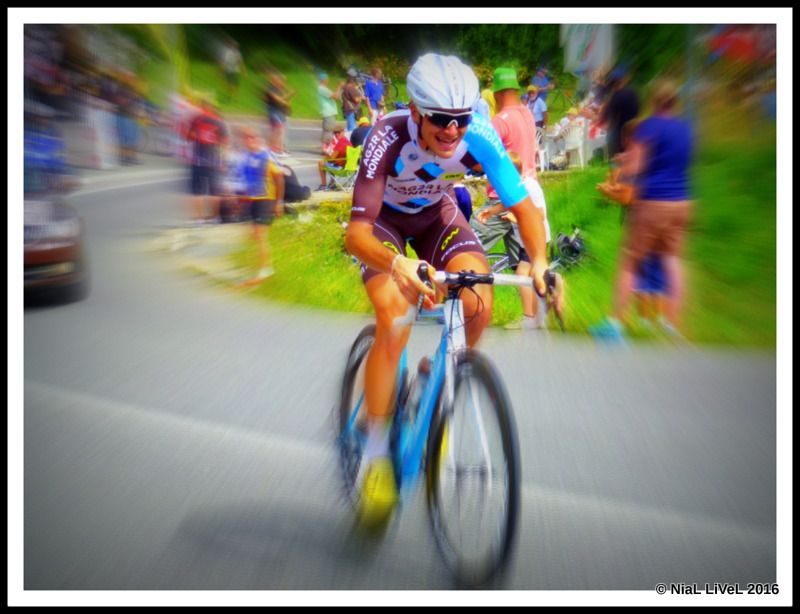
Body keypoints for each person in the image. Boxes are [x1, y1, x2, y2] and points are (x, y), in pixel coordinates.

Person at [344, 53, 553, 526]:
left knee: (478, 299)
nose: (452, 131)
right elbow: (355, 236)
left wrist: (539, 262)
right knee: (395, 315)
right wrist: (397, 263)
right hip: (384, 229)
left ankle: (438, 380)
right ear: (416, 111)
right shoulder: (386, 136)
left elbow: (523, 207)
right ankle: (376, 453)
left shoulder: (478, 134)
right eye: (440, 119)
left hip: (437, 216)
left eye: (460, 120)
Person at [590, 78, 693, 341]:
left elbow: (635, 168)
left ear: (653, 101)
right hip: (681, 202)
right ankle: (672, 323)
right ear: (675, 102)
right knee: (672, 261)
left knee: (630, 262)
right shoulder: (685, 130)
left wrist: (621, 167)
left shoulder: (649, 128)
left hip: (653, 202)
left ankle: (615, 325)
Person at [472, 66, 552, 331]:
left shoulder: (499, 121)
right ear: (516, 90)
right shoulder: (528, 114)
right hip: (527, 194)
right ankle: (531, 318)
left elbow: (484, 160)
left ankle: (451, 304)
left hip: (502, 196)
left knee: (467, 243)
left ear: (496, 93)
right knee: (522, 263)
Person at [237, 126, 285, 284]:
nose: (248, 141)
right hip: (252, 199)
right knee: (253, 235)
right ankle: (258, 266)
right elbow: (244, 179)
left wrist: (278, 202)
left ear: (258, 139)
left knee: (260, 236)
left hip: (266, 199)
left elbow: (279, 179)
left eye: (251, 137)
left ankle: (266, 270)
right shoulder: (246, 156)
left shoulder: (267, 157)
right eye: (245, 138)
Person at [185, 95, 228, 223]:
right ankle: (215, 217)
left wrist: (197, 137)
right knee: (214, 191)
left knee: (197, 191)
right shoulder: (220, 121)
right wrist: (223, 161)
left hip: (197, 160)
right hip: (214, 161)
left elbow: (189, 136)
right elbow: (224, 143)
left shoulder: (196, 119)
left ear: (202, 106)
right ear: (212, 107)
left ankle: (199, 219)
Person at [597, 66, 640, 159]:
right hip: (633, 133)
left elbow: (607, 121)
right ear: (624, 80)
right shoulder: (633, 93)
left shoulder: (614, 98)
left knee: (616, 165)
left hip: (617, 136)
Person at [263, 69, 293, 157]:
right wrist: (287, 98)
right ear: (274, 79)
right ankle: (274, 150)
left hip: (279, 112)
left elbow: (284, 100)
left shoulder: (277, 89)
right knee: (277, 130)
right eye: (280, 80)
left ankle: (276, 149)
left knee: (277, 131)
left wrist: (289, 96)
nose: (282, 82)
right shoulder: (270, 88)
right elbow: (278, 100)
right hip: (274, 112)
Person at [317, 124, 351, 190]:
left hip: (341, 168)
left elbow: (332, 158)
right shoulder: (347, 141)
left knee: (321, 163)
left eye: (338, 132)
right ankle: (333, 183)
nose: (336, 134)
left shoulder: (341, 143)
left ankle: (323, 185)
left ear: (343, 132)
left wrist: (326, 154)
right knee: (329, 162)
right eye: (335, 133)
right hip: (347, 166)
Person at [317, 72, 343, 148]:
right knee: (328, 130)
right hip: (328, 113)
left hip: (330, 113)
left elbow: (336, 96)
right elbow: (335, 96)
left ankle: (326, 147)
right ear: (323, 80)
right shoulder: (322, 89)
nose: (328, 81)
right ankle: (324, 148)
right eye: (327, 79)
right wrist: (339, 86)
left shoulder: (324, 89)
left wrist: (339, 88)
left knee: (329, 130)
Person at [219, 37, 246, 103]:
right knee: (234, 84)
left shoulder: (228, 53)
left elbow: (224, 62)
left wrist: (221, 71)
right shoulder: (237, 53)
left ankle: (232, 96)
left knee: (231, 84)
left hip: (230, 70)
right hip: (234, 70)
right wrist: (244, 72)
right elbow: (240, 63)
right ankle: (235, 97)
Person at [341, 67, 366, 134]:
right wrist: (361, 97)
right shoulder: (350, 87)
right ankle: (351, 143)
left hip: (349, 110)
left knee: (351, 128)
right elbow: (357, 100)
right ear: (353, 78)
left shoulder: (347, 86)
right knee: (352, 130)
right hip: (351, 110)